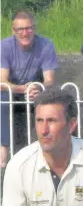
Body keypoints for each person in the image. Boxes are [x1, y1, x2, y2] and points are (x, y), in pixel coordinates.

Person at [0, 10, 58, 168]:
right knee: (2, 99)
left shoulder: (46, 44)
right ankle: (3, 152)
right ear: (13, 30)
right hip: (12, 92)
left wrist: (38, 87)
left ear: (35, 28)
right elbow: (2, 81)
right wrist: (21, 89)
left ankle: (51, 152)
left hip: (36, 91)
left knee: (54, 101)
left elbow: (50, 80)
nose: (25, 33)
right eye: (20, 29)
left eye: (29, 28)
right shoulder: (4, 46)